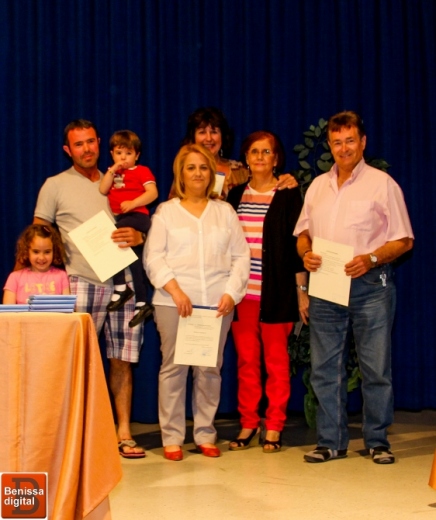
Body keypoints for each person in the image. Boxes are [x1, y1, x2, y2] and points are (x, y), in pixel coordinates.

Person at [294, 111, 414, 464]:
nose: (343, 148)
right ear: (329, 146)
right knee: (324, 368)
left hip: (370, 286)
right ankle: (330, 442)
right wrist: (306, 254)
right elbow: (303, 234)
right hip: (326, 287)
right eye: (337, 142)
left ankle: (377, 441)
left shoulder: (382, 184)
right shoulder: (318, 186)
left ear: (362, 142)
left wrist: (372, 259)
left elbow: (404, 240)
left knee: (375, 368)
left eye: (350, 140)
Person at [33, 119, 146, 458]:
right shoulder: (55, 185)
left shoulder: (124, 176)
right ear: (68, 150)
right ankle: (76, 435)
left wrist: (140, 236)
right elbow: (39, 233)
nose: (87, 149)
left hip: (125, 280)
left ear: (100, 143)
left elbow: (144, 217)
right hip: (80, 281)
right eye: (78, 144)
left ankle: (123, 432)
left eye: (91, 142)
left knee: (122, 359)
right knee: (76, 361)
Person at [145, 143, 250, 461]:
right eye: (191, 167)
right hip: (174, 303)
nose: (198, 173)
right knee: (173, 369)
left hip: (216, 305)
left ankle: (205, 433)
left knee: (209, 371)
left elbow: (241, 256)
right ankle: (172, 437)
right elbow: (153, 258)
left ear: (212, 173)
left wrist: (231, 293)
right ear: (181, 173)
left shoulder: (225, 212)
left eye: (204, 167)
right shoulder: (166, 212)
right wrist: (176, 291)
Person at [227, 131, 309, 453]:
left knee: (276, 364)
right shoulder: (235, 195)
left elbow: (296, 248)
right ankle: (249, 422)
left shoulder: (288, 194)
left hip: (277, 294)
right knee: (247, 363)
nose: (260, 157)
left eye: (266, 152)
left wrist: (301, 291)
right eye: (254, 151)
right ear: (246, 158)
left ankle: (274, 425)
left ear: (276, 159)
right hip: (241, 295)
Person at [170, 107, 298, 198]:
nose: (208, 138)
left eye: (214, 132)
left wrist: (286, 180)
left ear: (223, 136)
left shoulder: (241, 170)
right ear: (193, 137)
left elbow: (267, 184)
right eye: (202, 132)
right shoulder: (186, 171)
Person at [99, 130, 158, 328]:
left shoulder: (141, 171)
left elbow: (152, 193)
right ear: (112, 154)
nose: (123, 158)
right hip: (124, 217)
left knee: (111, 239)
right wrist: (112, 170)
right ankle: (142, 302)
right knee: (135, 261)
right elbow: (102, 189)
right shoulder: (112, 172)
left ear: (137, 155)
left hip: (138, 217)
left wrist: (133, 203)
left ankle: (121, 287)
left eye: (128, 153)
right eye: (119, 153)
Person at [3, 224, 70, 303]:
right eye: (36, 252)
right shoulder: (14, 278)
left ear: (54, 251)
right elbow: (8, 308)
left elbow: (68, 308)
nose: (41, 257)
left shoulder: (62, 276)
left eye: (47, 252)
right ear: (26, 251)